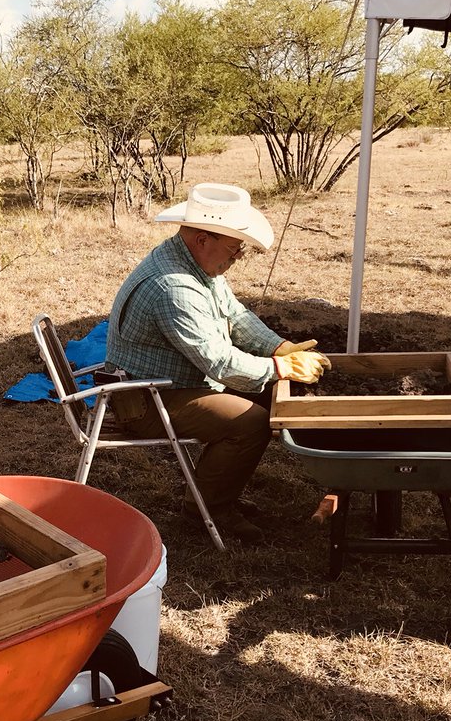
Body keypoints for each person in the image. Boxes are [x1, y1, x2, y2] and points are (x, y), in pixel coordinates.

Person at [104, 182, 330, 544]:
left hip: (168, 384)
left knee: (266, 401)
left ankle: (217, 494)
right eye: (234, 247)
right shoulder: (174, 287)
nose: (238, 256)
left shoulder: (194, 265)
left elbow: (236, 316)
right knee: (251, 423)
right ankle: (208, 512)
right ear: (202, 239)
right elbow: (219, 362)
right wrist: (278, 368)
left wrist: (281, 347)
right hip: (144, 400)